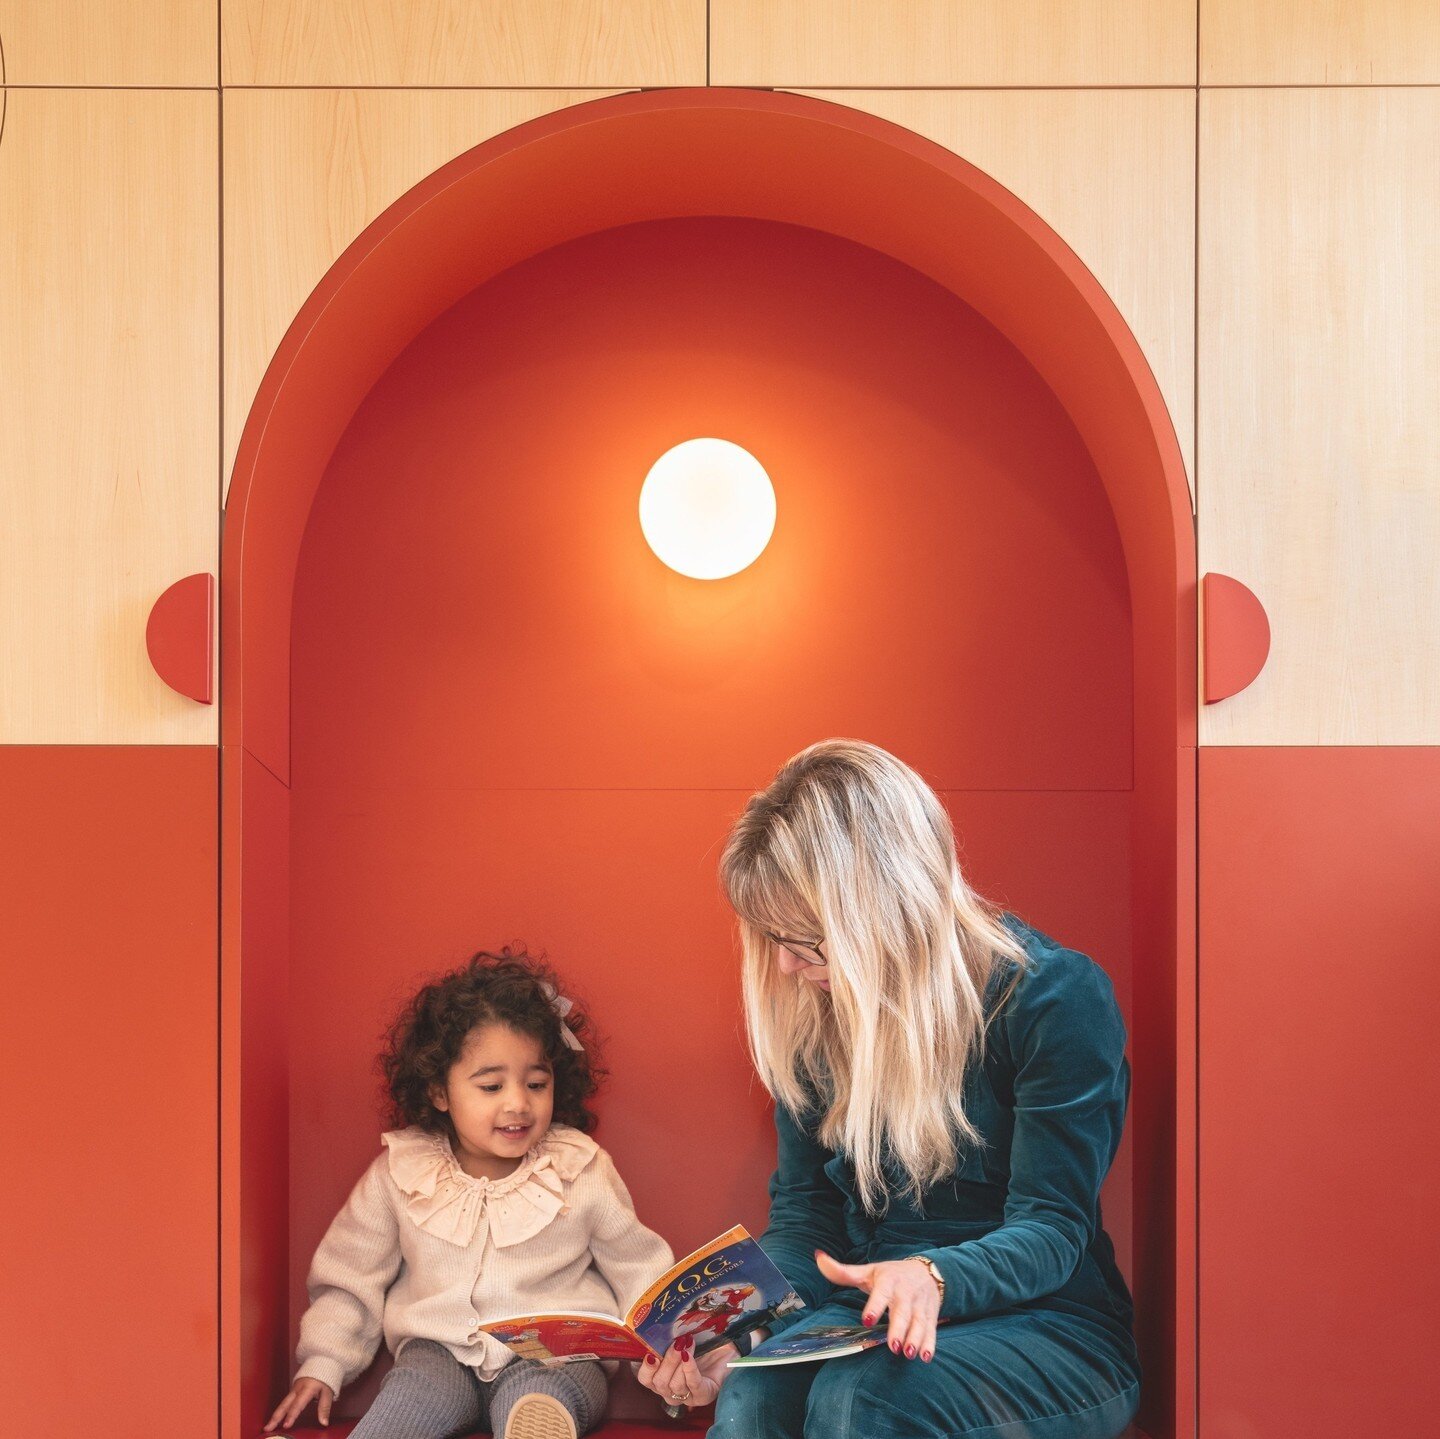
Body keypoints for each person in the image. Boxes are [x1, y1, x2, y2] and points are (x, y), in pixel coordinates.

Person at [636, 739, 1142, 1438]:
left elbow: (1054, 1229)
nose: (784, 964)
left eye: (806, 936)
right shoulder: (819, 1023)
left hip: (1050, 1325)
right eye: (773, 937)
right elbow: (808, 1223)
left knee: (864, 1398)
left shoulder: (1051, 997)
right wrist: (732, 1329)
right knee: (751, 1396)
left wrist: (931, 1274)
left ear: (883, 903)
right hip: (873, 1313)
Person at [264, 948, 674, 1439]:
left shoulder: (579, 1167)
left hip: (552, 1352)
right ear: (440, 1091)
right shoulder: (400, 1173)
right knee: (408, 1397)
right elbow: (352, 1277)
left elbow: (638, 1268)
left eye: (536, 1083)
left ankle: (537, 1424)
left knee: (547, 1393)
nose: (518, 1103)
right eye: (490, 1086)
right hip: (436, 1355)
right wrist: (323, 1363)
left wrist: (671, 1346)